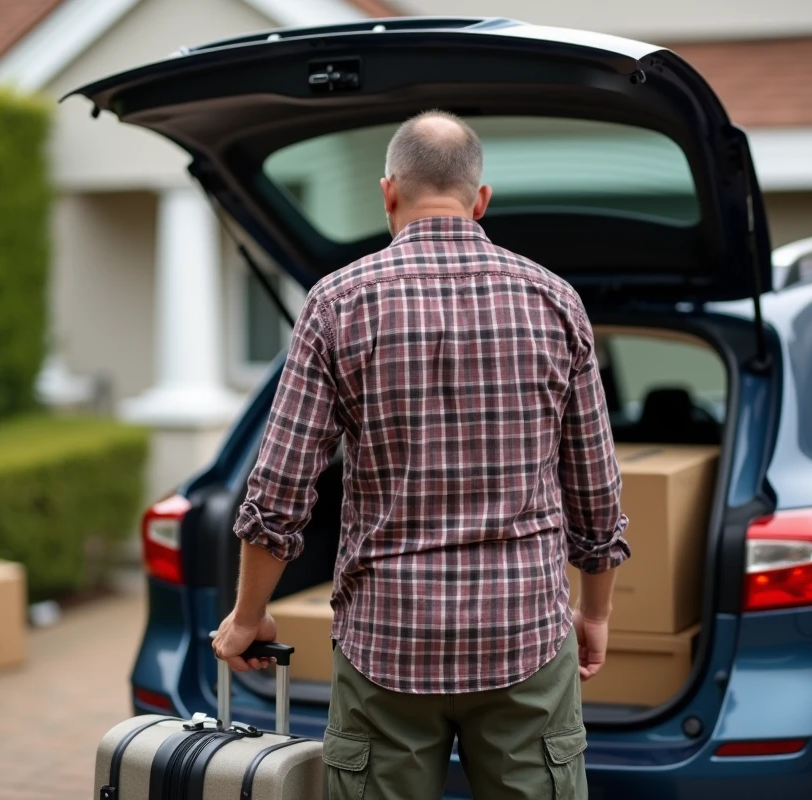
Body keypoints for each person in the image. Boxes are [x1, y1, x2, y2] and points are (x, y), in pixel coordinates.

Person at [212, 110, 630, 800]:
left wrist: (249, 613)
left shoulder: (337, 303)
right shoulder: (555, 301)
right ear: (481, 198)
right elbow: (595, 491)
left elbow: (280, 489)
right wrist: (595, 613)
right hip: (522, 632)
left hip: (387, 643)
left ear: (388, 192)